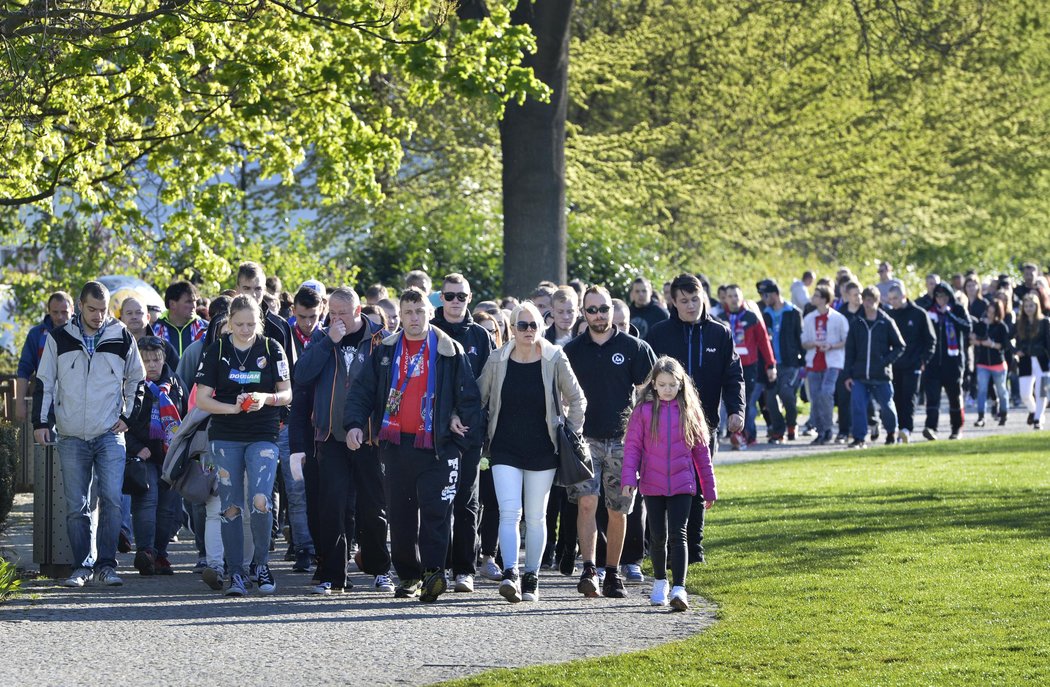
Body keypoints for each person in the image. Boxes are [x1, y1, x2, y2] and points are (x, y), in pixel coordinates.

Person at [344, 287, 483, 603]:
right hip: (396, 445)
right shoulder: (386, 350)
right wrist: (354, 424)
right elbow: (362, 391)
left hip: (438, 447)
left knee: (436, 513)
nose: (414, 317)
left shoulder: (450, 351)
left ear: (430, 312)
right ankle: (408, 576)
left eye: (419, 311)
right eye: (408, 312)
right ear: (400, 316)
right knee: (401, 515)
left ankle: (434, 573)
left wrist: (459, 428)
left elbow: (470, 398)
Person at [32, 281, 145, 588]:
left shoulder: (121, 335)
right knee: (76, 506)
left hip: (109, 434)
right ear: (80, 306)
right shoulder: (58, 338)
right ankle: (82, 566)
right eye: (92, 309)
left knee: (111, 501)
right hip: (70, 434)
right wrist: (41, 423)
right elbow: (44, 381)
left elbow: (137, 379)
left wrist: (128, 417)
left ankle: (107, 565)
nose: (98, 315)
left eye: (103, 309)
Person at [478, 302, 586, 602]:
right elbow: (479, 396)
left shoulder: (554, 357)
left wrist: (572, 433)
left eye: (534, 325)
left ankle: (531, 577)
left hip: (543, 448)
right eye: (522, 325)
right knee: (510, 512)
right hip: (504, 447)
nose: (529, 331)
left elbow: (577, 399)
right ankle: (511, 572)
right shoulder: (498, 359)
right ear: (512, 329)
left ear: (541, 327)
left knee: (536, 517)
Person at [292, 287, 394, 595]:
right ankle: (332, 574)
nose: (336, 319)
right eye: (332, 313)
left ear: (358, 311)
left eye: (343, 314)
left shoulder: (381, 339)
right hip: (331, 436)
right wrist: (329, 343)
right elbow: (302, 375)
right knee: (331, 507)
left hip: (370, 438)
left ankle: (379, 570)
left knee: (373, 507)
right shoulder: (322, 339)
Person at [193, 294, 292, 596]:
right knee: (230, 506)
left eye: (251, 324)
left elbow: (287, 394)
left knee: (260, 500)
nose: (246, 329)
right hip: (226, 435)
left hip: (263, 433)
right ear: (229, 323)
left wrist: (265, 399)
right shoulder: (217, 350)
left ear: (259, 323)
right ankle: (235, 572)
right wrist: (232, 408)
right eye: (239, 324)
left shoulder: (271, 348)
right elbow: (202, 399)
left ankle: (260, 564)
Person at [563, 286, 656, 599]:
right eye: (592, 310)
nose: (599, 315)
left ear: (612, 311)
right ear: (583, 313)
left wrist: (646, 434)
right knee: (587, 502)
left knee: (618, 509)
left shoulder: (635, 348)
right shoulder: (573, 350)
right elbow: (559, 393)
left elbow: (650, 394)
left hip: (623, 441)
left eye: (603, 309)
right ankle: (589, 568)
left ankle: (613, 573)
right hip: (584, 440)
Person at [646, 273, 743, 564]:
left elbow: (733, 376)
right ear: (672, 302)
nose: (691, 305)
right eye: (684, 301)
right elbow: (645, 379)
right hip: (662, 425)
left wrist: (737, 409)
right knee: (661, 485)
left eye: (695, 299)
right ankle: (659, 544)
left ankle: (693, 546)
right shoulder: (659, 333)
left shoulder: (720, 333)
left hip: (703, 424)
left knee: (698, 485)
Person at [621, 356, 716, 611]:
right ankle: (660, 582)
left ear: (681, 384)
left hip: (683, 485)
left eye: (672, 385)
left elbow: (701, 453)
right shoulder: (643, 412)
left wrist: (709, 487)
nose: (667, 390)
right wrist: (629, 478)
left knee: (679, 534)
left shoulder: (689, 411)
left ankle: (679, 587)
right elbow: (632, 448)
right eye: (662, 385)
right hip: (652, 484)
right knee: (658, 536)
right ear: (653, 384)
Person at [431, 273, 494, 593]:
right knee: (437, 501)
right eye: (450, 295)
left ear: (470, 298)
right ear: (440, 298)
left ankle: (464, 569)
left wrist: (466, 418)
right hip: (434, 433)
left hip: (470, 431)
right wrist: (447, 417)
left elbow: (486, 388)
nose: (456, 302)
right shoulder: (428, 332)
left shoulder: (481, 337)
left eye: (462, 296)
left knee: (467, 502)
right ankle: (435, 566)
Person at [125, 336, 187, 576]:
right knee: (147, 502)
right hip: (143, 454)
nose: (151, 365)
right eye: (146, 360)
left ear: (164, 359)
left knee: (168, 509)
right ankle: (146, 552)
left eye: (156, 359)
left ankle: (161, 553)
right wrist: (134, 447)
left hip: (169, 455)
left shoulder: (176, 384)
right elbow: (119, 420)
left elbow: (187, 414)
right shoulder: (130, 384)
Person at [843, 287, 905, 448]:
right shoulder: (857, 322)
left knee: (886, 405)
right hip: (860, 373)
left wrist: (885, 362)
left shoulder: (886, 322)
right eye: (865, 300)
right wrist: (848, 374)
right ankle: (859, 438)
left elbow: (900, 346)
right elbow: (850, 350)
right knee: (857, 405)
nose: (868, 303)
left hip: (881, 375)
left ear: (877, 301)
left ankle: (891, 432)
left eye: (871, 300)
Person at [719, 284, 775, 448]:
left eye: (736, 295)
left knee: (747, 401)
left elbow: (764, 342)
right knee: (729, 401)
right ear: (725, 299)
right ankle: (736, 433)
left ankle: (748, 435)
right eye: (730, 296)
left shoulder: (752, 317)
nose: (734, 299)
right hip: (727, 366)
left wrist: (771, 364)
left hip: (749, 366)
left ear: (741, 297)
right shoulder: (720, 318)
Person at [922, 283, 972, 440]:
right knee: (932, 397)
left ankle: (956, 428)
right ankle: (931, 427)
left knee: (954, 397)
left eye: (944, 296)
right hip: (933, 362)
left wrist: (949, 315)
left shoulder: (958, 310)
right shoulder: (929, 312)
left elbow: (967, 327)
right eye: (938, 296)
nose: (940, 299)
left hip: (953, 361)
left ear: (949, 297)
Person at [886, 285, 936, 443]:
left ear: (904, 296)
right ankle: (898, 429)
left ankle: (906, 429)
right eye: (890, 299)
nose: (893, 302)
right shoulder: (888, 315)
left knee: (909, 397)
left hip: (913, 364)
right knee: (896, 398)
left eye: (895, 298)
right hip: (893, 365)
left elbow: (931, 340)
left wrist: (923, 360)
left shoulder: (919, 314)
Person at [800, 285, 849, 445]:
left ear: (824, 299)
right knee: (815, 397)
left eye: (816, 295)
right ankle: (821, 431)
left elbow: (846, 340)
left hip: (832, 362)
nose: (813, 298)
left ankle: (828, 429)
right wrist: (814, 343)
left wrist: (831, 346)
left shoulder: (838, 318)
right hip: (814, 362)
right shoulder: (809, 319)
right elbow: (804, 342)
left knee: (826, 393)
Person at [15, 291, 72, 422]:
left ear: (72, 310)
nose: (59, 317)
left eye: (64, 312)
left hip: (75, 405)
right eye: (55, 312)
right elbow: (24, 370)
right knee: (45, 441)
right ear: (48, 311)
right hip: (45, 403)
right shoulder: (36, 335)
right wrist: (20, 403)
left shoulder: (82, 333)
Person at [757, 279, 803, 442]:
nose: (763, 298)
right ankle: (778, 430)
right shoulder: (764, 314)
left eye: (766, 294)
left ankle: (792, 424)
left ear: (775, 294)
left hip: (790, 363)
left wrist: (802, 362)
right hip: (771, 364)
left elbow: (799, 338)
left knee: (787, 394)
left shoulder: (793, 312)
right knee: (770, 398)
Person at [971, 300, 1012, 427]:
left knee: (1001, 390)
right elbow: (972, 337)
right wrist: (978, 341)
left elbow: (1005, 346)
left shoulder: (1001, 326)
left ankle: (1004, 413)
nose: (990, 315)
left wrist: (992, 344)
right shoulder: (981, 324)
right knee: (982, 390)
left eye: (993, 313)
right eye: (988, 312)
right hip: (982, 362)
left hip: (998, 363)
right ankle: (981, 416)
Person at [1015, 294, 1050, 429]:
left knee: (1042, 392)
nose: (1029, 309)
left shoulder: (1044, 322)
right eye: (1026, 306)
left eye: (1032, 306)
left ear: (1037, 306)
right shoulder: (1019, 323)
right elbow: (1007, 337)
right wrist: (1015, 350)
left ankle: (1037, 419)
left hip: (1043, 360)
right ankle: (1034, 411)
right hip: (1026, 361)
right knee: (1025, 394)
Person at [153, 280, 208, 362]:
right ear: (172, 304)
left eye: (195, 301)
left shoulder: (206, 328)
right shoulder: (154, 330)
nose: (194, 306)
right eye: (188, 301)